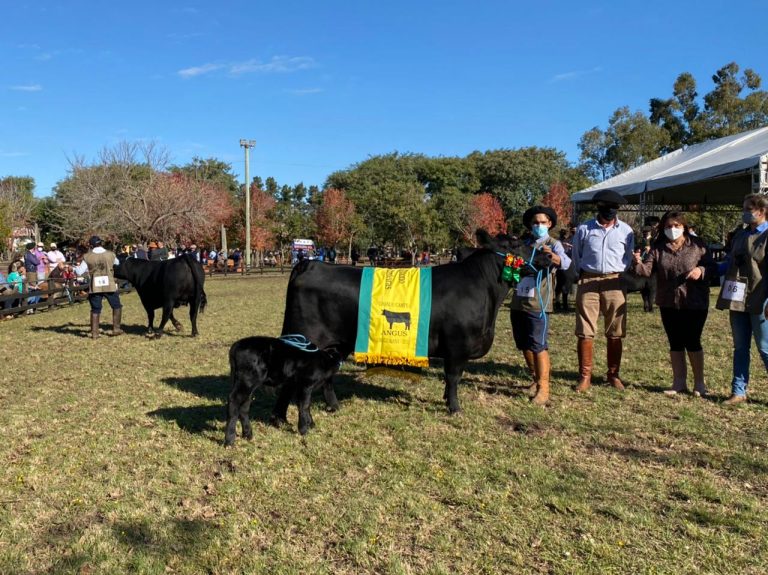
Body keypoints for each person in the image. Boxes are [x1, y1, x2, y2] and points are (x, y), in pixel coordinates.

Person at [632, 211, 718, 396]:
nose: (673, 229)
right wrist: (637, 262)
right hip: (668, 302)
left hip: (694, 301)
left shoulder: (698, 245)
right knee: (675, 342)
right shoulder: (658, 248)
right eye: (669, 226)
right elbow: (647, 271)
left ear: (684, 227)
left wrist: (701, 270)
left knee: (692, 340)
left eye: (676, 226)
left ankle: (699, 384)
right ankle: (679, 382)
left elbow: (713, 267)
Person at [571, 189, 635, 392]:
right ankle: (585, 376)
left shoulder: (626, 231)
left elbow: (628, 256)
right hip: (588, 279)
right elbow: (576, 255)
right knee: (585, 331)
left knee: (615, 331)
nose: (610, 212)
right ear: (598, 207)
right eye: (606, 208)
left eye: (614, 209)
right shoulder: (584, 229)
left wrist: (620, 274)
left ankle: (613, 375)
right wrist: (581, 275)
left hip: (615, 281)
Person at [511, 206, 571, 405]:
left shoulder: (553, 244)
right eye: (535, 222)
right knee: (523, 343)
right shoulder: (523, 244)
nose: (539, 226)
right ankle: (534, 379)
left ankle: (544, 388)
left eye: (543, 222)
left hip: (539, 302)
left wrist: (552, 256)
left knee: (538, 344)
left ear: (550, 224)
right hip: (519, 300)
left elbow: (567, 263)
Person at [716, 194, 768, 405]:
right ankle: (738, 391)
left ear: (761, 211)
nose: (745, 212)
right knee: (740, 347)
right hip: (737, 296)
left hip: (760, 297)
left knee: (764, 347)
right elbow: (729, 262)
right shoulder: (740, 234)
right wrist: (706, 269)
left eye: (748, 208)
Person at [74, 236, 123, 339]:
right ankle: (116, 329)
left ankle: (95, 333)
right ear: (101, 243)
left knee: (95, 309)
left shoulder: (87, 256)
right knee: (116, 305)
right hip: (109, 284)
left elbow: (79, 272)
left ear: (91, 245)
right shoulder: (110, 254)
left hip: (95, 285)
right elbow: (117, 263)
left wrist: (72, 268)